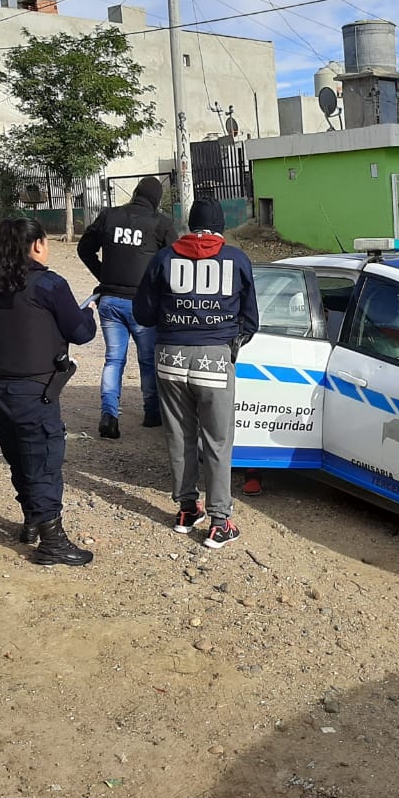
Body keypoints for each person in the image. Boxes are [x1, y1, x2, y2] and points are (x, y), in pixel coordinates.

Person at [0, 217, 97, 566]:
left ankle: (32, 521)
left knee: (19, 458)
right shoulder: (49, 284)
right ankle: (52, 542)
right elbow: (81, 333)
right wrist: (88, 315)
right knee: (41, 462)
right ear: (37, 244)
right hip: (32, 391)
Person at [134, 197, 259, 549]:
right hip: (215, 360)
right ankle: (220, 522)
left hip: (169, 357)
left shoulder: (165, 257)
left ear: (189, 224)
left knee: (179, 435)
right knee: (217, 441)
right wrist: (228, 344)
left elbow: (143, 313)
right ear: (221, 227)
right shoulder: (236, 259)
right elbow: (251, 320)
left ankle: (188, 510)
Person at [77, 176, 178, 439]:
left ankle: (109, 414)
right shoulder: (162, 224)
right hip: (143, 305)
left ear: (135, 193)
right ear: (156, 200)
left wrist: (103, 276)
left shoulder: (109, 216)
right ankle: (151, 413)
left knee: (114, 359)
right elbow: (174, 263)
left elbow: (84, 248)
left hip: (109, 302)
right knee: (147, 360)